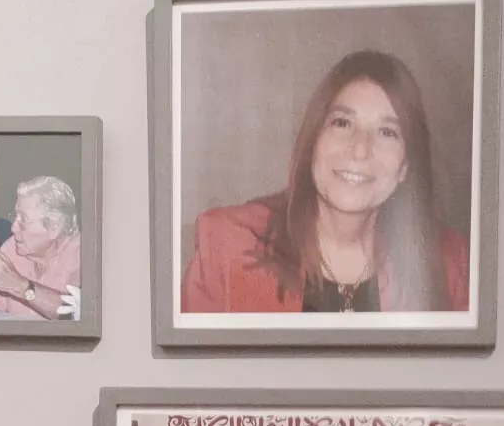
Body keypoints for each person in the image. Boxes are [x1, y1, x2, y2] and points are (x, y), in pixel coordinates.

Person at [181, 49, 469, 315]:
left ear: (405, 165)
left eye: (387, 132)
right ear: (313, 142)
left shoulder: (446, 262)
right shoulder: (227, 247)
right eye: (342, 123)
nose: (359, 149)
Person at [0, 176, 82, 320]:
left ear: (54, 227)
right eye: (14, 216)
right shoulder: (13, 248)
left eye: (24, 220)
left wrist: (18, 285)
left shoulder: (84, 255)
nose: (13, 228)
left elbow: (75, 314)